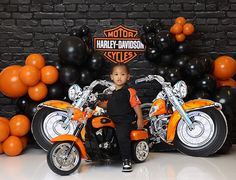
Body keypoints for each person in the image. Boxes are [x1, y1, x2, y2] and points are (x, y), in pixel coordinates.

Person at [98, 62, 144, 172]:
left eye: (122, 74)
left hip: (124, 120)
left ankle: (126, 160)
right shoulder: (111, 93)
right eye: (116, 74)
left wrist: (140, 119)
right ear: (111, 77)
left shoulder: (129, 91)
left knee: (122, 137)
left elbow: (136, 105)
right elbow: (106, 105)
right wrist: (97, 103)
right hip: (111, 119)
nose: (119, 77)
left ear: (128, 77)